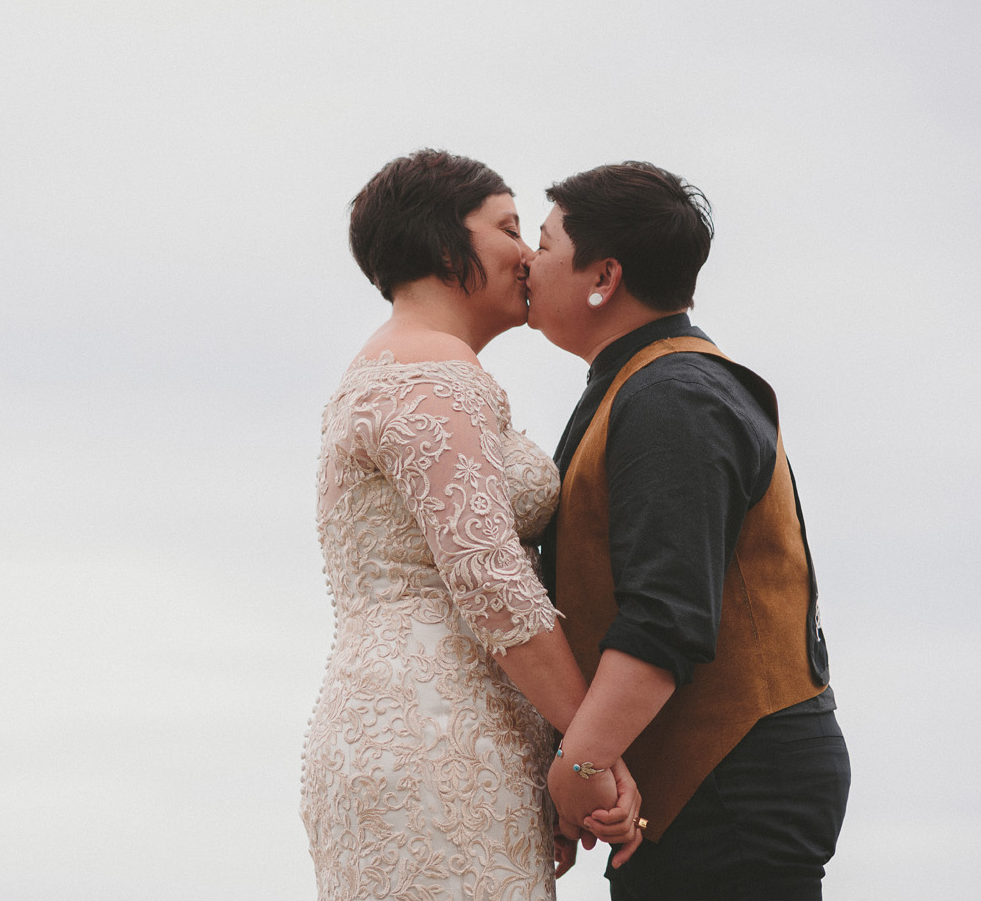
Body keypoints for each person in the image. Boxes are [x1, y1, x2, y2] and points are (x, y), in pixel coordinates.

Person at [300, 149, 640, 901]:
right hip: (438, 728)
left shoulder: (389, 367)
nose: (527, 253)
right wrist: (591, 750)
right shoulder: (433, 372)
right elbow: (492, 581)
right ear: (440, 241)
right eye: (508, 227)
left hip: (412, 717)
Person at [525, 161, 850, 900]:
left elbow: (665, 616)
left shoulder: (672, 393)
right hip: (705, 794)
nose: (526, 263)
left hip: (733, 794)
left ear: (602, 275)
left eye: (544, 245)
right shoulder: (642, 382)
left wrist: (577, 767)